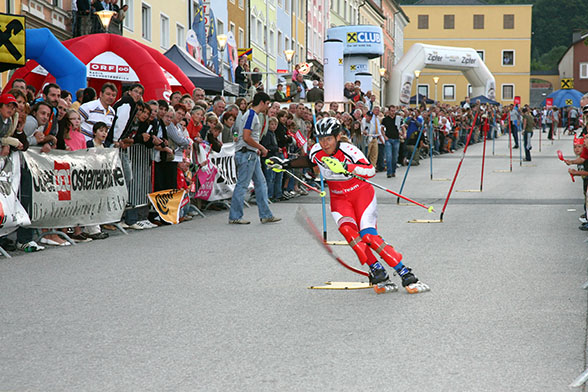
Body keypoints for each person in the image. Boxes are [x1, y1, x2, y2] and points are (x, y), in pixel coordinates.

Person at [270, 117, 430, 294]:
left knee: (368, 236)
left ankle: (405, 273)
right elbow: (309, 160)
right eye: (320, 138)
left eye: (328, 138)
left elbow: (370, 170)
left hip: (361, 194)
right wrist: (284, 164)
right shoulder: (317, 150)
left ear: (338, 137)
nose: (324, 143)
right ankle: (377, 270)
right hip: (339, 198)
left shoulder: (349, 150)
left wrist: (347, 167)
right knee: (348, 232)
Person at [228, 92, 281, 225]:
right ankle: (235, 216)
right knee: (243, 184)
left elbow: (246, 137)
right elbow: (246, 137)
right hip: (247, 154)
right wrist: (261, 147)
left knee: (261, 183)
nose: (268, 107)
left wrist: (257, 147)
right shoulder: (252, 115)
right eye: (267, 104)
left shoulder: (252, 115)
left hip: (250, 153)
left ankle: (265, 214)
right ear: (262, 102)